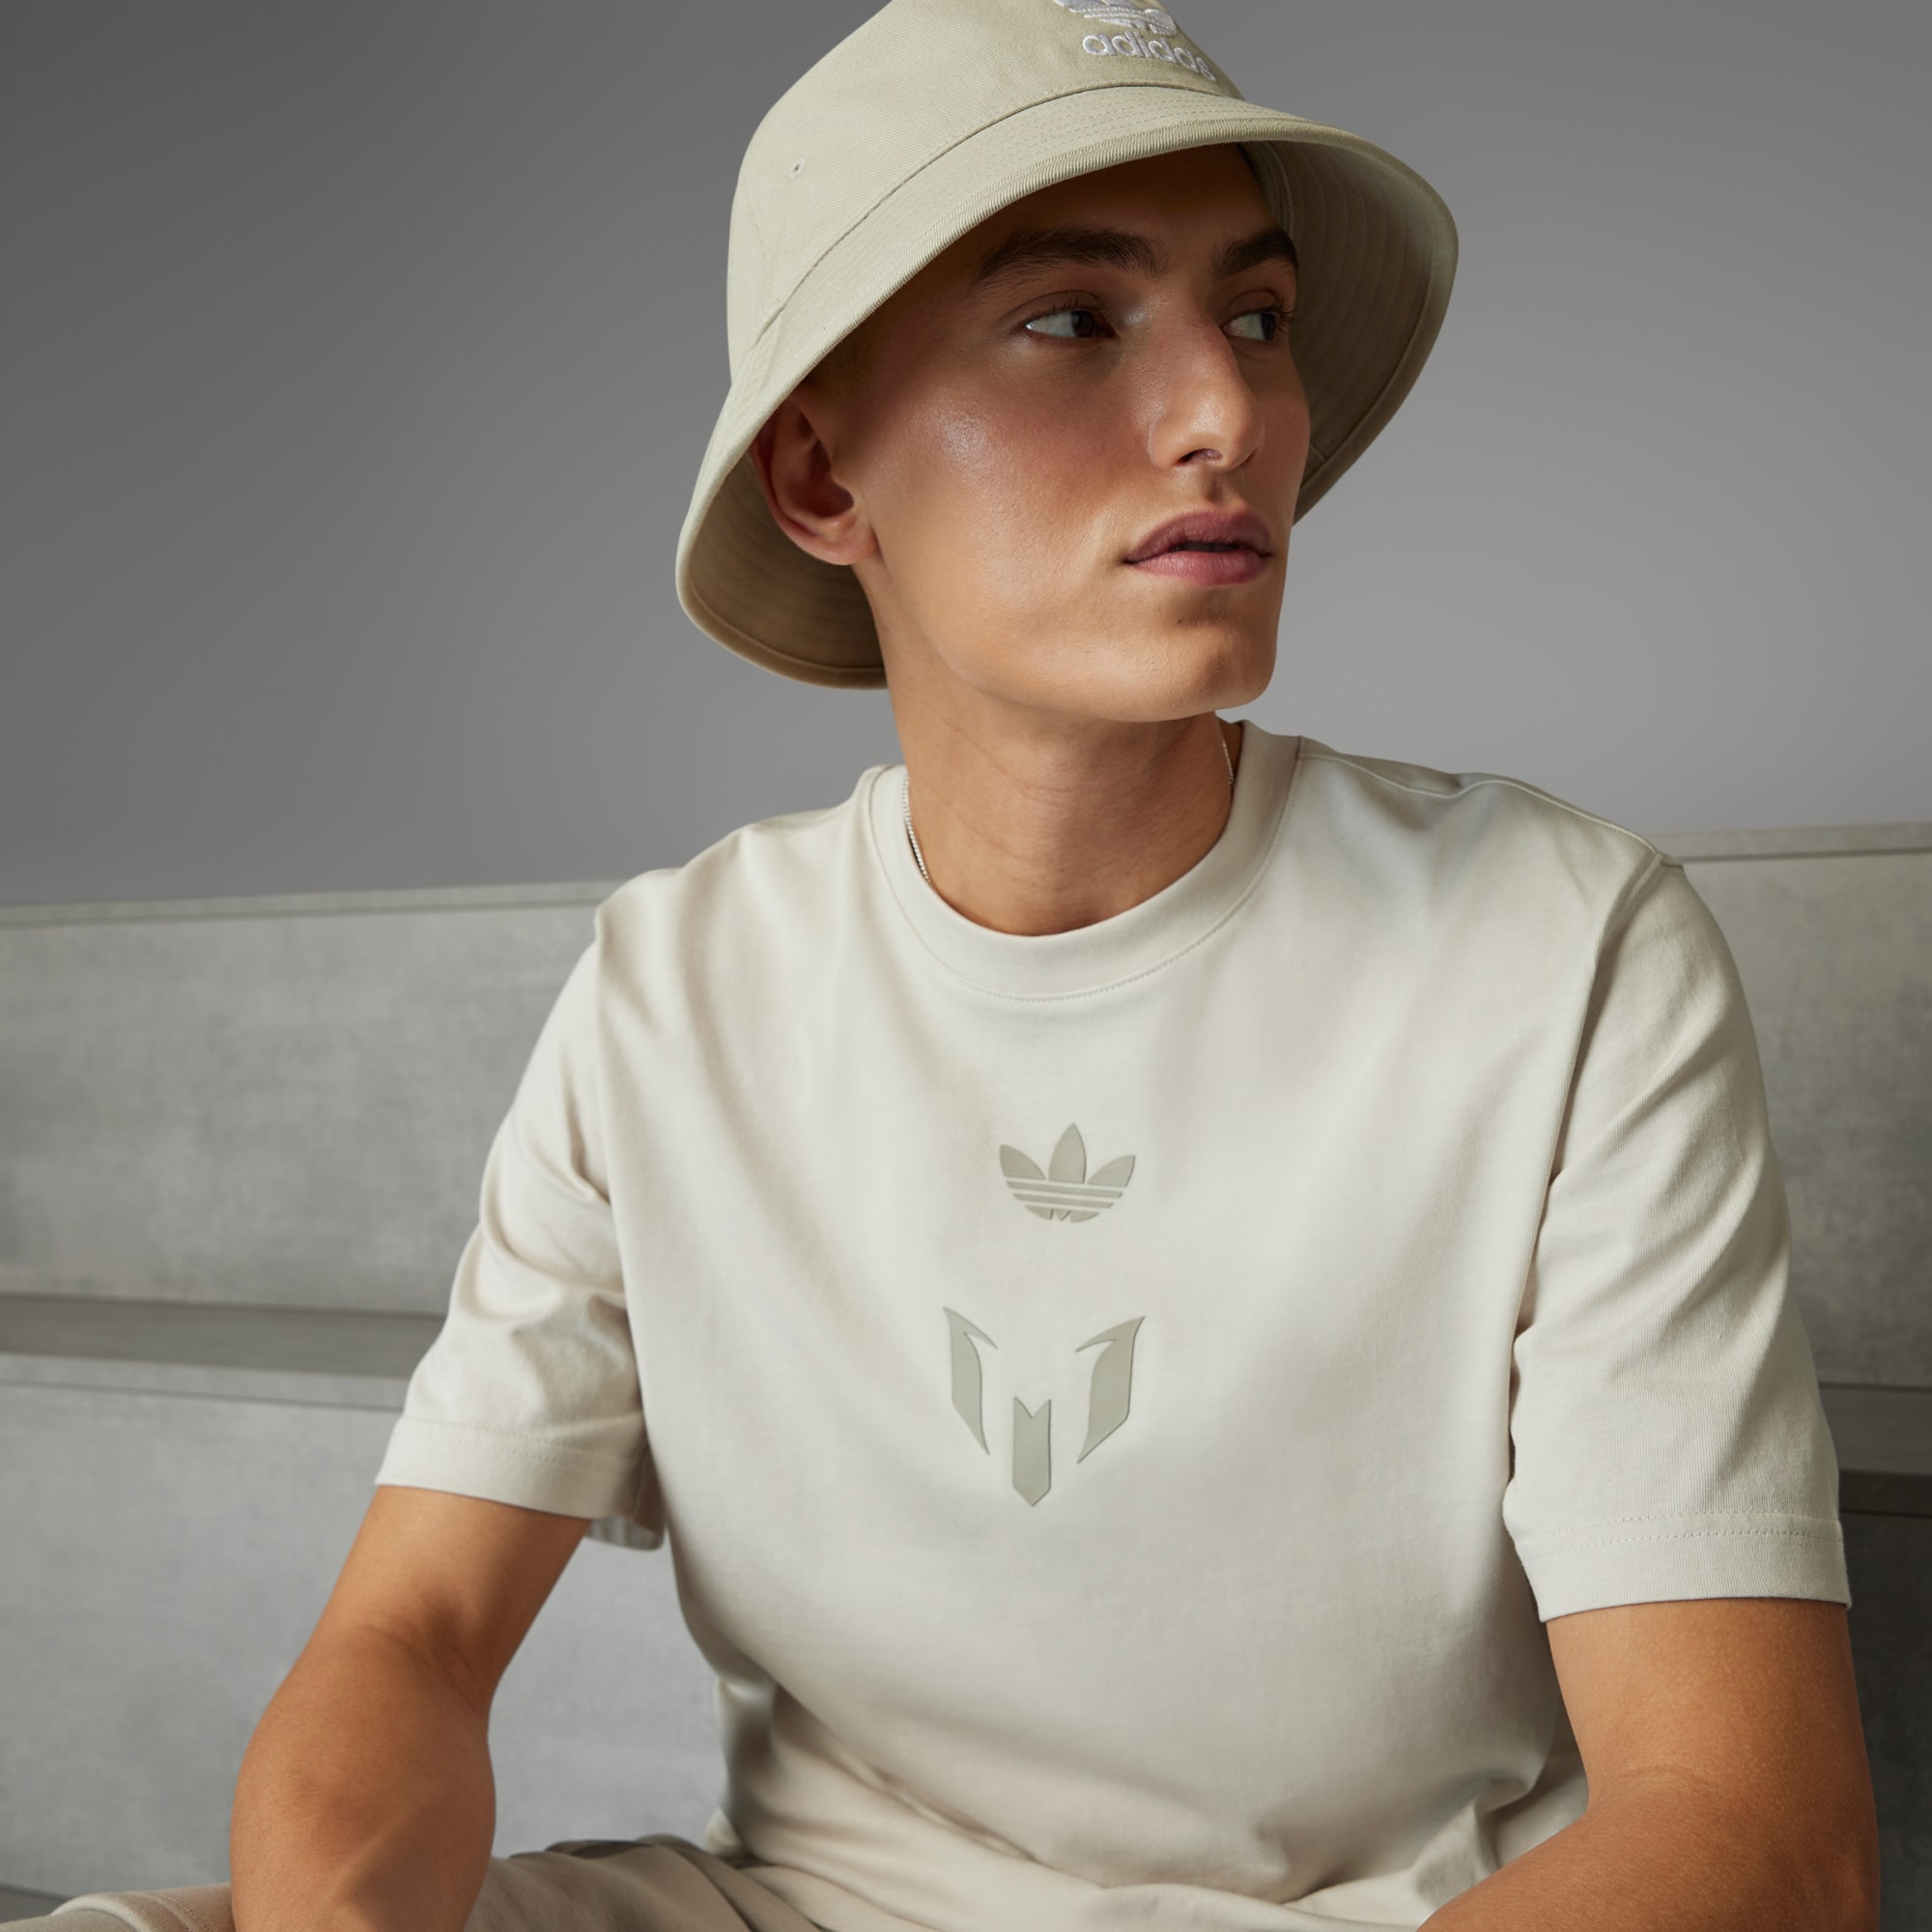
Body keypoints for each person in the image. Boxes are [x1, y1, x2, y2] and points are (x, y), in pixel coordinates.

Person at [55, 3, 1871, 1931]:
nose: (1230, 412)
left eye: (1256, 316)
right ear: (820, 477)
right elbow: (407, 1639)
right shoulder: (675, 993)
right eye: (1077, 320)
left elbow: (1752, 1827)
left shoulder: (1563, 953)